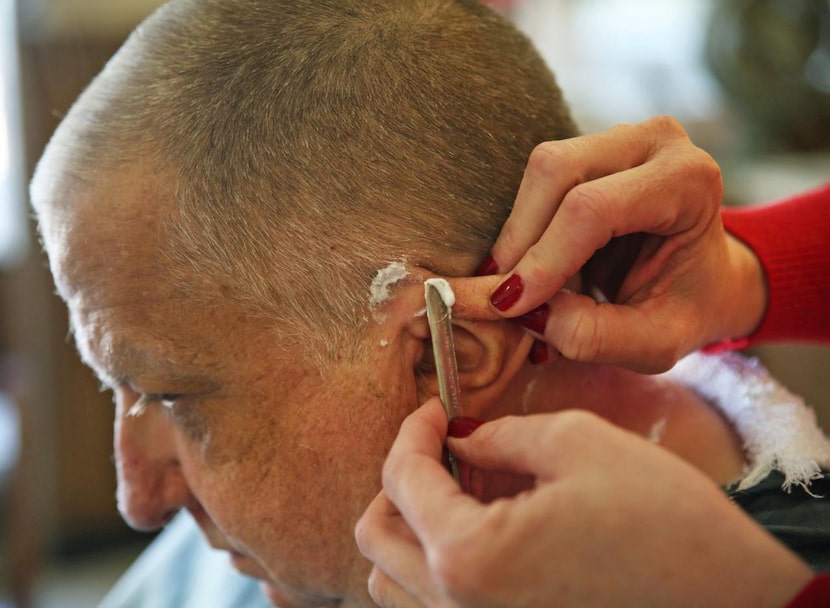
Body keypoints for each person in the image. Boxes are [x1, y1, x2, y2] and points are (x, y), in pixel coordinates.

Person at [29, 1, 829, 607]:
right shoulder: (241, 556)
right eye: (116, 386)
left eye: (173, 396)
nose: (138, 500)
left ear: (447, 354)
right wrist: (752, 266)